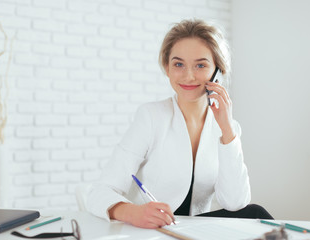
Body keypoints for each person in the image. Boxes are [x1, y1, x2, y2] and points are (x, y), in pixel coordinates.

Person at [86, 19, 273, 229]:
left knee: (254, 213)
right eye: (178, 64)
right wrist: (134, 212)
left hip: (193, 231)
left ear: (218, 71)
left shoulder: (228, 129)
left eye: (201, 65)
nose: (189, 76)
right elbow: (99, 193)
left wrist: (227, 130)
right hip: (152, 230)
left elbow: (235, 203)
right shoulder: (151, 117)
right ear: (167, 67)